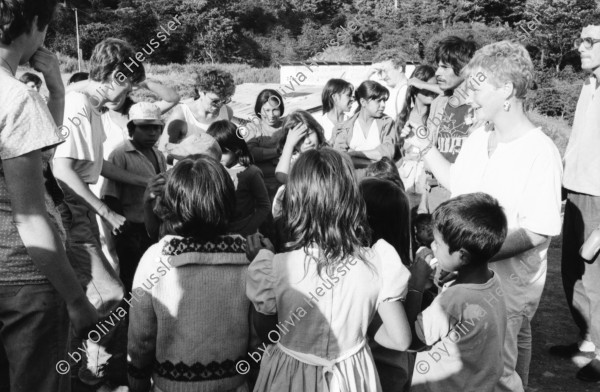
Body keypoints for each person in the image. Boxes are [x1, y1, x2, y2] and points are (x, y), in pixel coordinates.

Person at [406, 41, 563, 392]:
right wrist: (422, 142)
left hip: (505, 291)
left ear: (505, 90)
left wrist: (471, 254)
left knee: (498, 375)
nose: (469, 95)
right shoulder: (478, 137)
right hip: (470, 280)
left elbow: (538, 230)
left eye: (477, 87)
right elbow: (456, 183)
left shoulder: (540, 152)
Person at [246, 148, 411, 392]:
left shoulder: (274, 267)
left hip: (288, 378)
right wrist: (356, 331)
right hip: (350, 378)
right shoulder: (378, 261)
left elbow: (268, 332)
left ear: (296, 201)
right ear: (352, 199)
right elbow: (400, 339)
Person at [0, 1, 98, 391]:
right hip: (25, 279)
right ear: (35, 23)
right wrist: (76, 299)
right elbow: (30, 216)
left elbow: (37, 156)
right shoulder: (16, 98)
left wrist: (56, 91)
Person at [52, 37, 150, 387]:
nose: (126, 97)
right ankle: (93, 374)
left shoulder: (90, 106)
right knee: (108, 294)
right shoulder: (79, 106)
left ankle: (87, 370)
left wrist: (146, 180)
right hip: (72, 210)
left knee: (93, 294)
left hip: (80, 211)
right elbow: (63, 171)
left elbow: (98, 165)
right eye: (127, 87)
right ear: (114, 77)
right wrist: (105, 213)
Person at [127, 157, 251, 392]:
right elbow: (258, 338)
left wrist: (137, 383)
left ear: (171, 204)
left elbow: (141, 339)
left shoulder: (155, 259)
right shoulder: (249, 258)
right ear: (227, 201)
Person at [407, 193, 508, 392]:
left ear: (462, 255)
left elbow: (410, 340)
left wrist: (416, 285)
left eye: (438, 243)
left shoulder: (452, 300)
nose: (432, 246)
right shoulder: (493, 281)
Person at [550, 24, 600, 382]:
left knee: (596, 280)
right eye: (580, 39)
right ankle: (586, 339)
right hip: (576, 190)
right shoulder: (588, 84)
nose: (580, 46)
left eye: (590, 41)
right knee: (573, 273)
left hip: (599, 196)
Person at [101, 102, 167, 293]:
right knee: (132, 279)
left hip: (154, 226)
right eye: (145, 128)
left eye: (156, 128)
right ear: (132, 128)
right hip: (132, 228)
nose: (152, 133)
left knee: (153, 278)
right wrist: (123, 231)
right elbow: (109, 195)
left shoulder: (158, 154)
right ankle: (129, 318)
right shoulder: (120, 154)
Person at [360, 177, 413, 392]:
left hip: (378, 370)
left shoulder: (376, 263)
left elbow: (400, 338)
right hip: (389, 369)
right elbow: (403, 337)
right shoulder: (390, 263)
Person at [417, 36, 477, 214]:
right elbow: (430, 153)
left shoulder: (480, 106)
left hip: (467, 198)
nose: (437, 73)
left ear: (464, 68)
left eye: (444, 67)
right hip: (437, 195)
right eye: (438, 66)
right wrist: (424, 202)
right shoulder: (439, 104)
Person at [206, 119, 270, 236]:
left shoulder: (251, 173)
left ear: (236, 149)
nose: (217, 156)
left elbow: (264, 206)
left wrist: (248, 230)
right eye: (213, 152)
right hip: (220, 233)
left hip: (245, 235)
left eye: (223, 152)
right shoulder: (212, 171)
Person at [161, 68, 235, 151]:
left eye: (225, 100)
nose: (220, 105)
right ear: (201, 92)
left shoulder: (227, 112)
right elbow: (164, 151)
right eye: (215, 101)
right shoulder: (181, 114)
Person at [271, 110, 327, 219]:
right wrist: (289, 144)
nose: (307, 142)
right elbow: (281, 176)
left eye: (310, 134)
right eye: (300, 139)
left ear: (317, 131)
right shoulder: (294, 160)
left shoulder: (326, 154)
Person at [395, 65, 437, 209]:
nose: (431, 91)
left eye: (434, 86)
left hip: (430, 185)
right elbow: (398, 154)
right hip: (407, 184)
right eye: (426, 86)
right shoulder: (403, 117)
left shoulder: (438, 117)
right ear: (415, 88)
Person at [332, 81, 396, 168]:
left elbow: (387, 154)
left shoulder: (387, 123)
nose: (383, 105)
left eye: (384, 101)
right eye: (379, 101)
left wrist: (354, 153)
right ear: (363, 102)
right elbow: (339, 158)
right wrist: (375, 158)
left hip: (379, 178)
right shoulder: (346, 126)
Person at [245, 89, 286, 198]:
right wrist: (281, 151)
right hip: (261, 186)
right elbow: (252, 153)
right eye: (266, 110)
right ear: (259, 110)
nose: (271, 115)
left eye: (275, 110)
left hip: (288, 184)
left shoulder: (288, 126)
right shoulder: (253, 128)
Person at [367, 49, 409, 120]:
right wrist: (367, 75)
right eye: (380, 72)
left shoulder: (411, 90)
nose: (383, 77)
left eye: (385, 71)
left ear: (399, 68)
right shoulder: (385, 91)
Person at [316, 78, 354, 142]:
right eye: (348, 95)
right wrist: (332, 139)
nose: (352, 99)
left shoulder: (352, 121)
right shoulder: (319, 124)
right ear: (335, 97)